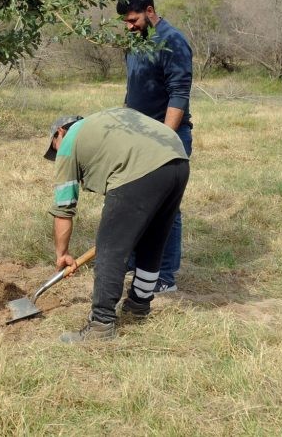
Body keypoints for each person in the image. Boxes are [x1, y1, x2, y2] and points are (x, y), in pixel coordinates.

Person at [43, 108, 190, 343]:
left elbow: (63, 209)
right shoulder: (103, 122)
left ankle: (101, 325)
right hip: (177, 159)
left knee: (110, 247)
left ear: (60, 133)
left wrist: (62, 254)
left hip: (140, 169)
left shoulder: (69, 143)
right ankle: (139, 304)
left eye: (54, 148)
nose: (57, 155)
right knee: (153, 240)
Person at [117, 0, 193, 294]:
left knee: (166, 208)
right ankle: (137, 264)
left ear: (150, 11)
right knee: (136, 202)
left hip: (167, 136)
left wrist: (163, 138)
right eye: (125, 21)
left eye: (133, 19)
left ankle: (165, 277)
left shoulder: (172, 41)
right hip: (136, 135)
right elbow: (134, 90)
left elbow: (179, 93)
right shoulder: (135, 41)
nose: (129, 26)